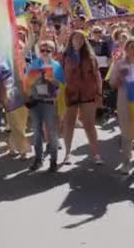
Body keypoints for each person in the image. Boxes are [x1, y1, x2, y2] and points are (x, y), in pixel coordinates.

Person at [62, 30, 103, 165]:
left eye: (80, 38)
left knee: (89, 125)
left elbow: (97, 76)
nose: (78, 41)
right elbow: (59, 75)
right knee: (69, 124)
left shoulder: (91, 56)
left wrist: (99, 93)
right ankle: (67, 154)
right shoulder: (64, 56)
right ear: (71, 40)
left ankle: (96, 154)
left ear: (84, 41)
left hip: (88, 93)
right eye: (75, 38)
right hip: (70, 93)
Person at [26, 41, 62, 172]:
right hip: (36, 102)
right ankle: (38, 159)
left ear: (53, 52)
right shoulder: (34, 64)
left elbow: (62, 85)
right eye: (43, 50)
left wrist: (53, 80)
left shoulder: (56, 66)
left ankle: (53, 161)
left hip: (49, 102)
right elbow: (27, 84)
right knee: (36, 133)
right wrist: (32, 81)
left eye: (48, 51)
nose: (45, 53)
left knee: (52, 132)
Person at [108, 38, 134, 175]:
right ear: (126, 49)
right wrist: (119, 78)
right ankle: (126, 162)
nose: (133, 50)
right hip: (125, 102)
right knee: (127, 133)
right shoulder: (119, 64)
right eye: (131, 47)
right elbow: (112, 84)